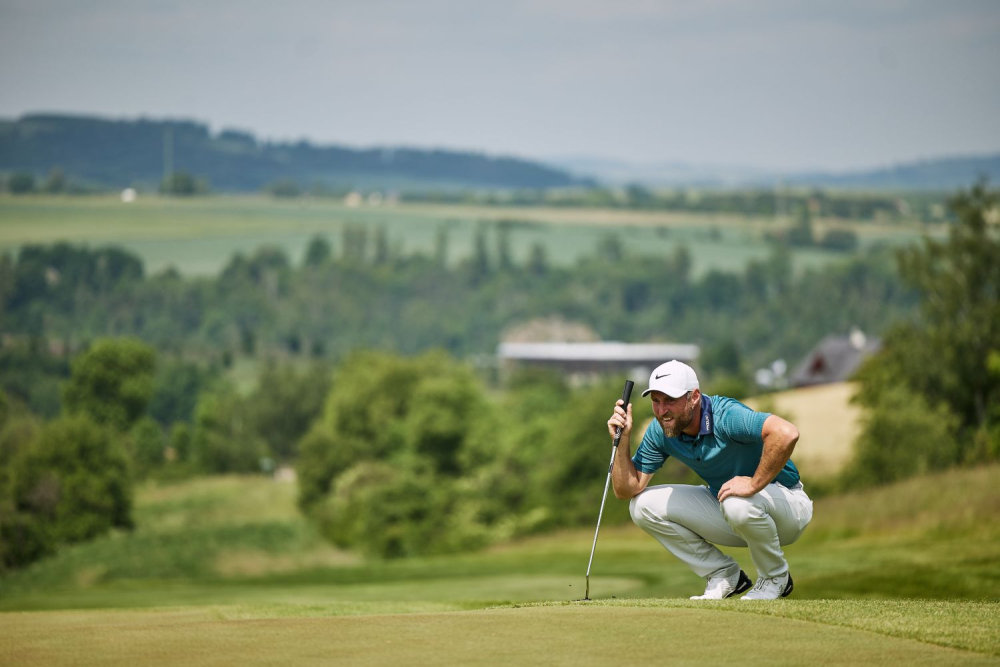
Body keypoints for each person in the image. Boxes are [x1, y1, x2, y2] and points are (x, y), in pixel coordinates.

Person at [606, 360, 813, 600]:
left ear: (694, 397)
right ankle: (724, 575)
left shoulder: (725, 415)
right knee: (641, 506)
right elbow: (626, 490)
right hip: (734, 510)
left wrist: (754, 483)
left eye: (670, 401)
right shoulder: (661, 430)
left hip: (787, 507)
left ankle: (775, 578)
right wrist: (622, 440)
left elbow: (786, 433)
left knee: (737, 502)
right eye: (656, 401)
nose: (662, 411)